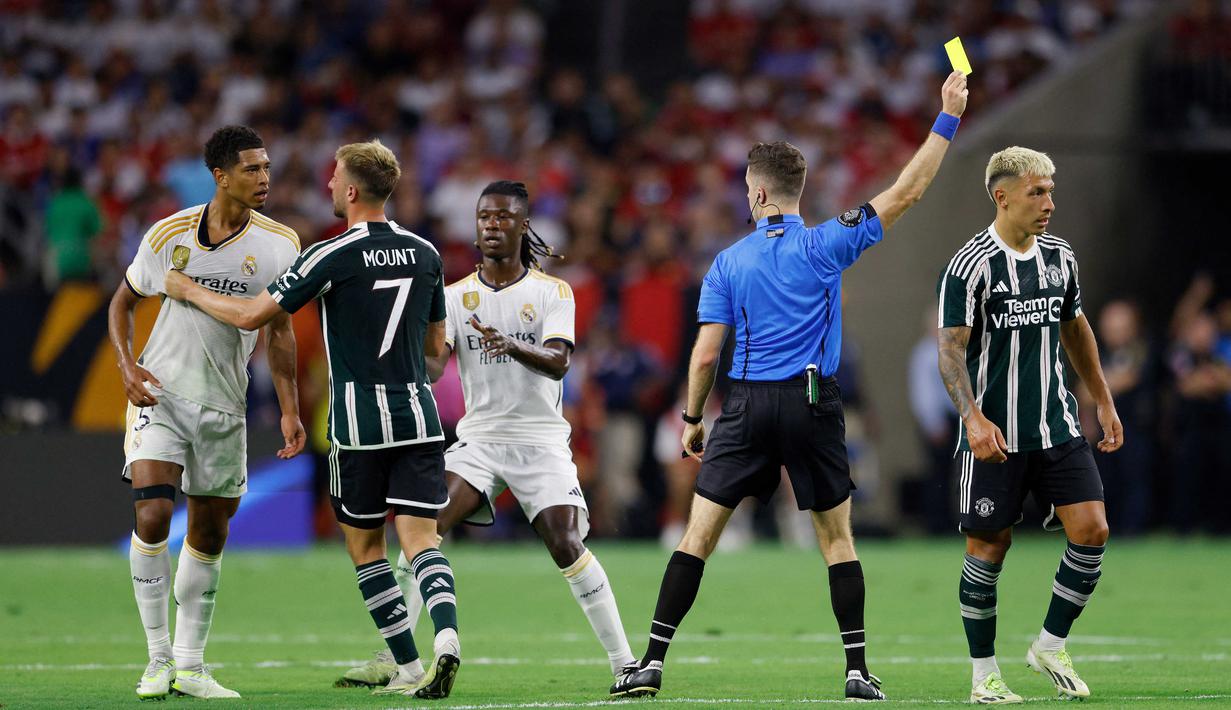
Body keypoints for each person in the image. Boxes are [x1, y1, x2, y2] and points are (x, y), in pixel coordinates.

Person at [611, 71, 969, 702]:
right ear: (798, 192)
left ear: (756, 193)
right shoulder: (828, 243)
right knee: (836, 540)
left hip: (746, 406)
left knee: (698, 536)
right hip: (811, 402)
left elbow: (705, 354)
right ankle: (856, 671)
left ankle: (652, 662)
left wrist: (693, 419)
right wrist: (948, 116)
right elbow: (907, 191)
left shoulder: (727, 262)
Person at [164, 139, 462, 699]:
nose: (327, 185)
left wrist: (187, 288)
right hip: (419, 418)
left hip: (357, 423)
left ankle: (407, 666)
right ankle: (446, 637)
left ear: (350, 190)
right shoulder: (426, 253)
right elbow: (437, 353)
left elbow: (252, 316)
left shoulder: (329, 254)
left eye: (333, 178)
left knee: (367, 548)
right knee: (422, 541)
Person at [338, 180, 637, 692]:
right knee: (421, 530)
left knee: (565, 542)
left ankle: (625, 664)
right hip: (479, 440)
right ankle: (397, 659)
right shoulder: (455, 296)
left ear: (523, 226)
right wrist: (398, 350)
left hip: (540, 440)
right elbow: (435, 365)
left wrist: (511, 345)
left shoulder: (552, 291)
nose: (492, 225)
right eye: (484, 218)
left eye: (502, 217)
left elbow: (559, 361)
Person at [106, 125, 305, 700]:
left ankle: (191, 667)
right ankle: (157, 659)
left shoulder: (280, 244)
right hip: (161, 394)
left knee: (211, 531)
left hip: (224, 403)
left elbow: (280, 330)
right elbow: (123, 302)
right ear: (220, 176)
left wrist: (289, 408)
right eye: (251, 168)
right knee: (151, 515)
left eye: (266, 167)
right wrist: (126, 366)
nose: (264, 178)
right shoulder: (169, 234)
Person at [936, 146, 1123, 703]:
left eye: (1050, 192)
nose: (1049, 203)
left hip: (1056, 426)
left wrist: (1103, 401)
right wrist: (972, 419)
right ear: (1003, 196)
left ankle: (1050, 644)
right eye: (1037, 192)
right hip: (993, 438)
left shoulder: (1061, 257)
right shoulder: (969, 266)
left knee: (1093, 530)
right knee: (989, 548)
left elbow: (1075, 327)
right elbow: (950, 352)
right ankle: (984, 675)